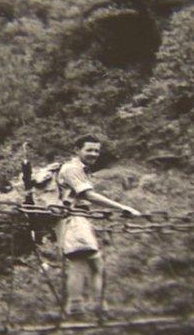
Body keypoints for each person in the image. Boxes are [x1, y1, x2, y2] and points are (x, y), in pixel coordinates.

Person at [54, 134, 140, 317]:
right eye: (89, 150)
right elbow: (88, 195)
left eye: (97, 150)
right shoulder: (71, 169)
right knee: (79, 261)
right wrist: (122, 207)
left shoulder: (82, 170)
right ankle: (76, 308)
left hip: (80, 218)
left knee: (96, 264)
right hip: (72, 219)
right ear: (77, 150)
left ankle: (100, 307)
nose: (94, 154)